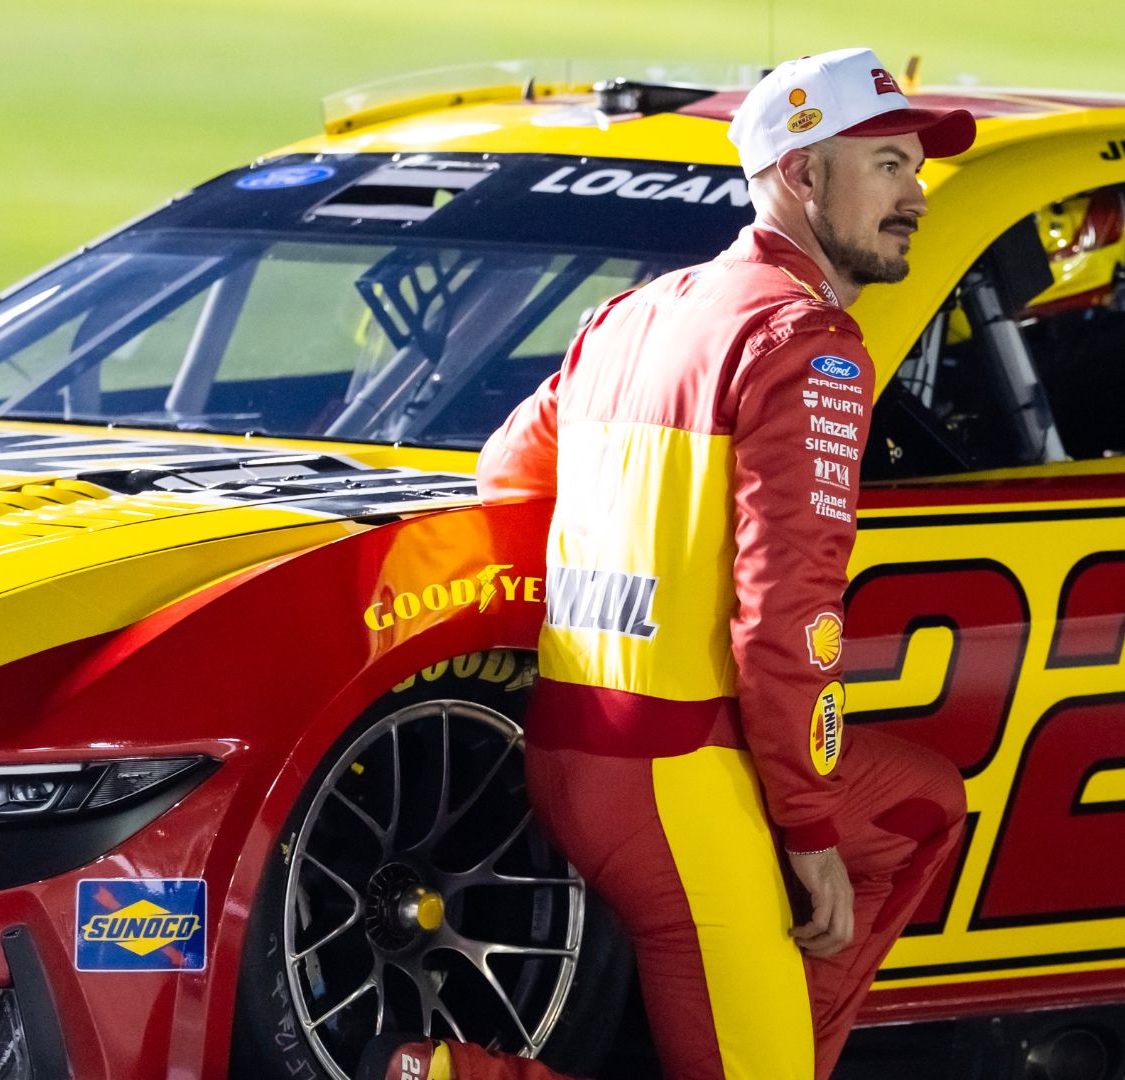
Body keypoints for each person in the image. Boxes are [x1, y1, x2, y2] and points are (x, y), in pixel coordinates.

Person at [361, 47, 973, 1080]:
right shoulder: (809, 343)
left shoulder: (635, 314)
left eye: (917, 168)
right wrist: (808, 826)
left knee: (920, 808)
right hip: (684, 779)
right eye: (888, 166)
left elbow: (507, 470)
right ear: (802, 174)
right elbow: (786, 616)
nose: (916, 195)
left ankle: (766, 1043)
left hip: (571, 754)